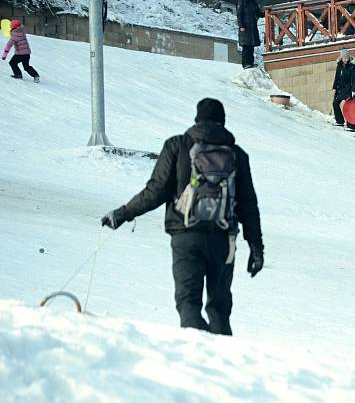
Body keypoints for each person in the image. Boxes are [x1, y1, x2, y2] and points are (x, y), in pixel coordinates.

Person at [101, 98, 264, 335]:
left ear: (197, 120)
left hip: (186, 237)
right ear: (223, 122)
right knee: (219, 308)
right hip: (223, 239)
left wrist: (123, 213)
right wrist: (256, 247)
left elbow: (155, 191)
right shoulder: (237, 154)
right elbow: (248, 205)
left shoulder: (177, 146)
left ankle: (197, 358)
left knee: (188, 303)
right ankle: (223, 362)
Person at [332, 49, 355, 131]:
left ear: (349, 58)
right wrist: (334, 88)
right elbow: (336, 78)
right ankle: (340, 121)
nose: (345, 59)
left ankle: (351, 126)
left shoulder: (352, 67)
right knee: (335, 103)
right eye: (343, 58)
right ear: (341, 58)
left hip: (349, 90)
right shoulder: (339, 66)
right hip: (340, 89)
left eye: (346, 58)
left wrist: (354, 91)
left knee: (349, 107)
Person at [237, 0, 262, 69]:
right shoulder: (241, 1)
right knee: (246, 46)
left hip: (252, 27)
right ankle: (245, 64)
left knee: (251, 46)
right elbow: (239, 15)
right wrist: (241, 25)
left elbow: (258, 12)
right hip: (245, 27)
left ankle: (250, 63)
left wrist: (265, 14)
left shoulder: (253, 2)